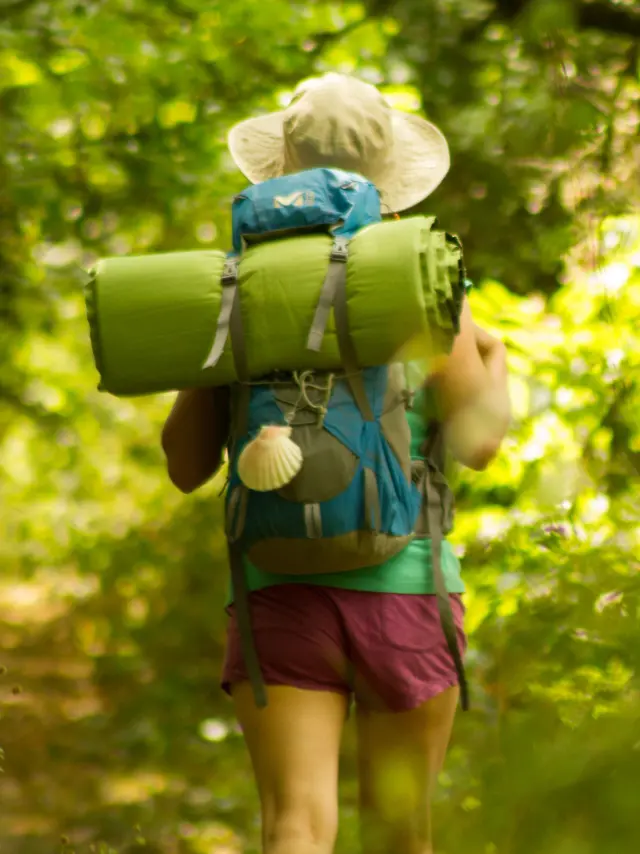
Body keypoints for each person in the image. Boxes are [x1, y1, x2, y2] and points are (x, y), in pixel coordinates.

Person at [162, 74, 510, 854]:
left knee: (295, 825)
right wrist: (498, 357)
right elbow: (480, 445)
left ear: (280, 170)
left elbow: (185, 465)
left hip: (277, 592)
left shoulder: (234, 288)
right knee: (399, 835)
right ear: (390, 177)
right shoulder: (418, 278)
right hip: (408, 587)